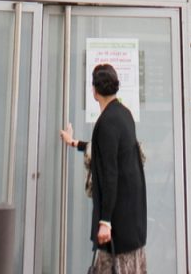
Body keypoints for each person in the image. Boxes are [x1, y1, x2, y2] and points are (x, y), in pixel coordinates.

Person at [60, 64, 147, 273]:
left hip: (118, 222)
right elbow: (104, 150)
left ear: (94, 91)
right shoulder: (124, 114)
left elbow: (110, 173)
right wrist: (73, 142)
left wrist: (105, 221)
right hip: (132, 217)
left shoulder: (107, 122)